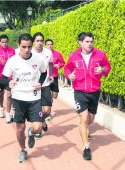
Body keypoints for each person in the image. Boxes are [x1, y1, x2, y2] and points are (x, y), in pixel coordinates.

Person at [64, 32, 111, 160]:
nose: (90, 44)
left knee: (90, 120)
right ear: (80, 43)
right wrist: (69, 76)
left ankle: (86, 129)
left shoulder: (100, 54)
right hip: (80, 91)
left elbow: (107, 67)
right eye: (87, 41)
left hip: (94, 91)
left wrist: (103, 70)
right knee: (83, 119)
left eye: (91, 41)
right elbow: (67, 69)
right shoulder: (74, 56)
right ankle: (86, 147)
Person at [1, 33, 47, 162]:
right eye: (23, 47)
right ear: (18, 46)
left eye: (29, 47)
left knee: (38, 128)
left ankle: (31, 133)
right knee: (20, 129)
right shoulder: (12, 61)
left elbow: (44, 73)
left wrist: (40, 83)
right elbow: (3, 79)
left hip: (34, 98)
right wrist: (8, 83)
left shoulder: (39, 60)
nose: (26, 50)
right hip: (19, 99)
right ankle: (23, 149)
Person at [32, 32, 53, 134]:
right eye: (37, 41)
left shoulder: (48, 52)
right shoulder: (29, 53)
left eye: (41, 41)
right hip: (34, 86)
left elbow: (51, 64)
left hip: (45, 84)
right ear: (33, 42)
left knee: (47, 110)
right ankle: (38, 127)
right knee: (37, 108)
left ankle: (42, 120)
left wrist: (51, 75)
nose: (39, 43)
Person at [45, 38, 65, 119]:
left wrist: (58, 65)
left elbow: (63, 63)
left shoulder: (57, 53)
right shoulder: (43, 54)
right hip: (46, 77)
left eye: (51, 44)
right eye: (48, 44)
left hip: (55, 76)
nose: (50, 46)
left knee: (54, 95)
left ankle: (49, 103)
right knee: (48, 95)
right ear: (45, 45)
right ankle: (48, 112)